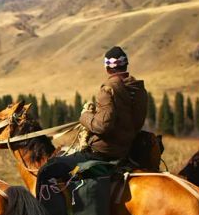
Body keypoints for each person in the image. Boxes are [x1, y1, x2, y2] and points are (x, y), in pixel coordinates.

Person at [36, 46, 148, 201]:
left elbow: (102, 126)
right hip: (125, 149)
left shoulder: (108, 89)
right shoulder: (139, 89)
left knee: (48, 170)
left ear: (107, 67)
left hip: (102, 152)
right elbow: (136, 122)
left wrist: (85, 116)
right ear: (125, 65)